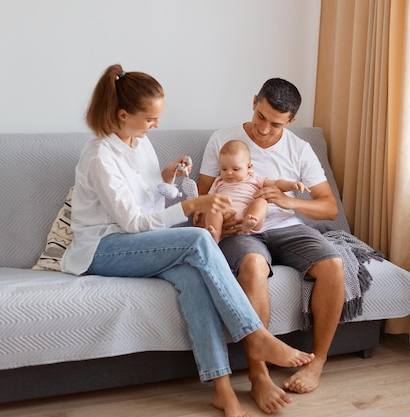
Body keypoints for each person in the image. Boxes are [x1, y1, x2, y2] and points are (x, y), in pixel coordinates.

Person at [61, 65, 314, 417]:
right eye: (151, 119)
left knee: (194, 279)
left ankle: (222, 388)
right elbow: (132, 222)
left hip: (146, 242)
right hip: (104, 249)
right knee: (197, 240)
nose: (156, 126)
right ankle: (254, 335)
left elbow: (151, 196)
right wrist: (191, 206)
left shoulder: (140, 142)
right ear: (123, 114)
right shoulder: (100, 157)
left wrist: (169, 176)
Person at [197, 78, 345, 414]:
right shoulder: (223, 139)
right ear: (254, 102)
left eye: (275, 123)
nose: (264, 129)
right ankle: (258, 374)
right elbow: (201, 196)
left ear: (291, 121)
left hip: (288, 228)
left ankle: (317, 362)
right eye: (260, 117)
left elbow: (328, 207)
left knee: (333, 265)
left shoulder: (299, 149)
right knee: (252, 266)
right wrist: (221, 219)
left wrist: (291, 204)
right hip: (242, 232)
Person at [205, 139, 310, 242]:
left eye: (235, 169)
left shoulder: (254, 178)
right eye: (224, 169)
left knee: (261, 202)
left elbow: (276, 184)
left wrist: (292, 185)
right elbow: (208, 198)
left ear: (249, 167)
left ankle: (251, 223)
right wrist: (199, 209)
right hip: (226, 215)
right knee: (213, 208)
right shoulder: (219, 181)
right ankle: (215, 234)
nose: (229, 173)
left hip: (248, 212)